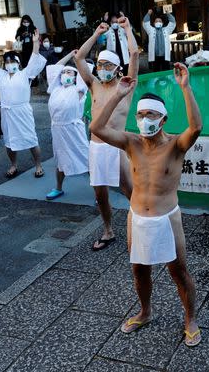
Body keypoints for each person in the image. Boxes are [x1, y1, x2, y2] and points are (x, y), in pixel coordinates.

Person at [89, 63, 203, 347]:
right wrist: (118, 94)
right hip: (137, 217)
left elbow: (197, 126)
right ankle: (145, 311)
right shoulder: (131, 143)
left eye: (149, 114)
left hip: (167, 218)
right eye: (140, 115)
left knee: (179, 271)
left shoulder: (176, 146)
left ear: (162, 119)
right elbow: (96, 127)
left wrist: (185, 87)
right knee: (139, 270)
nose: (143, 120)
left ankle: (190, 318)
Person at [75, 18, 138, 250]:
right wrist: (96, 34)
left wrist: (128, 30)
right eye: (100, 65)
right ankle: (108, 230)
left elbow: (134, 55)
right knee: (100, 193)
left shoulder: (127, 86)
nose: (102, 69)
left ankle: (143, 225)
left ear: (117, 69)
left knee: (128, 189)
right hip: (96, 146)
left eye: (107, 65)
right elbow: (80, 58)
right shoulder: (94, 85)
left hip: (117, 145)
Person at [0, 30, 47, 178]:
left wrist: (35, 43)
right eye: (7, 62)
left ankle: (38, 165)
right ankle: (13, 165)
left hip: (22, 111)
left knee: (31, 139)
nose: (10, 65)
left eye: (13, 62)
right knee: (9, 141)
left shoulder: (25, 74)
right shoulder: (1, 75)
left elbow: (34, 59)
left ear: (18, 63)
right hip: (7, 113)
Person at [45, 50, 90, 200]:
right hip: (57, 130)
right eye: (64, 72)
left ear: (77, 76)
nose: (66, 74)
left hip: (73, 130)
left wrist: (77, 59)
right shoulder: (55, 89)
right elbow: (55, 67)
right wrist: (70, 55)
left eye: (70, 73)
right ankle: (58, 188)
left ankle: (99, 192)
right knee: (60, 160)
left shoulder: (80, 89)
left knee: (87, 159)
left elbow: (85, 71)